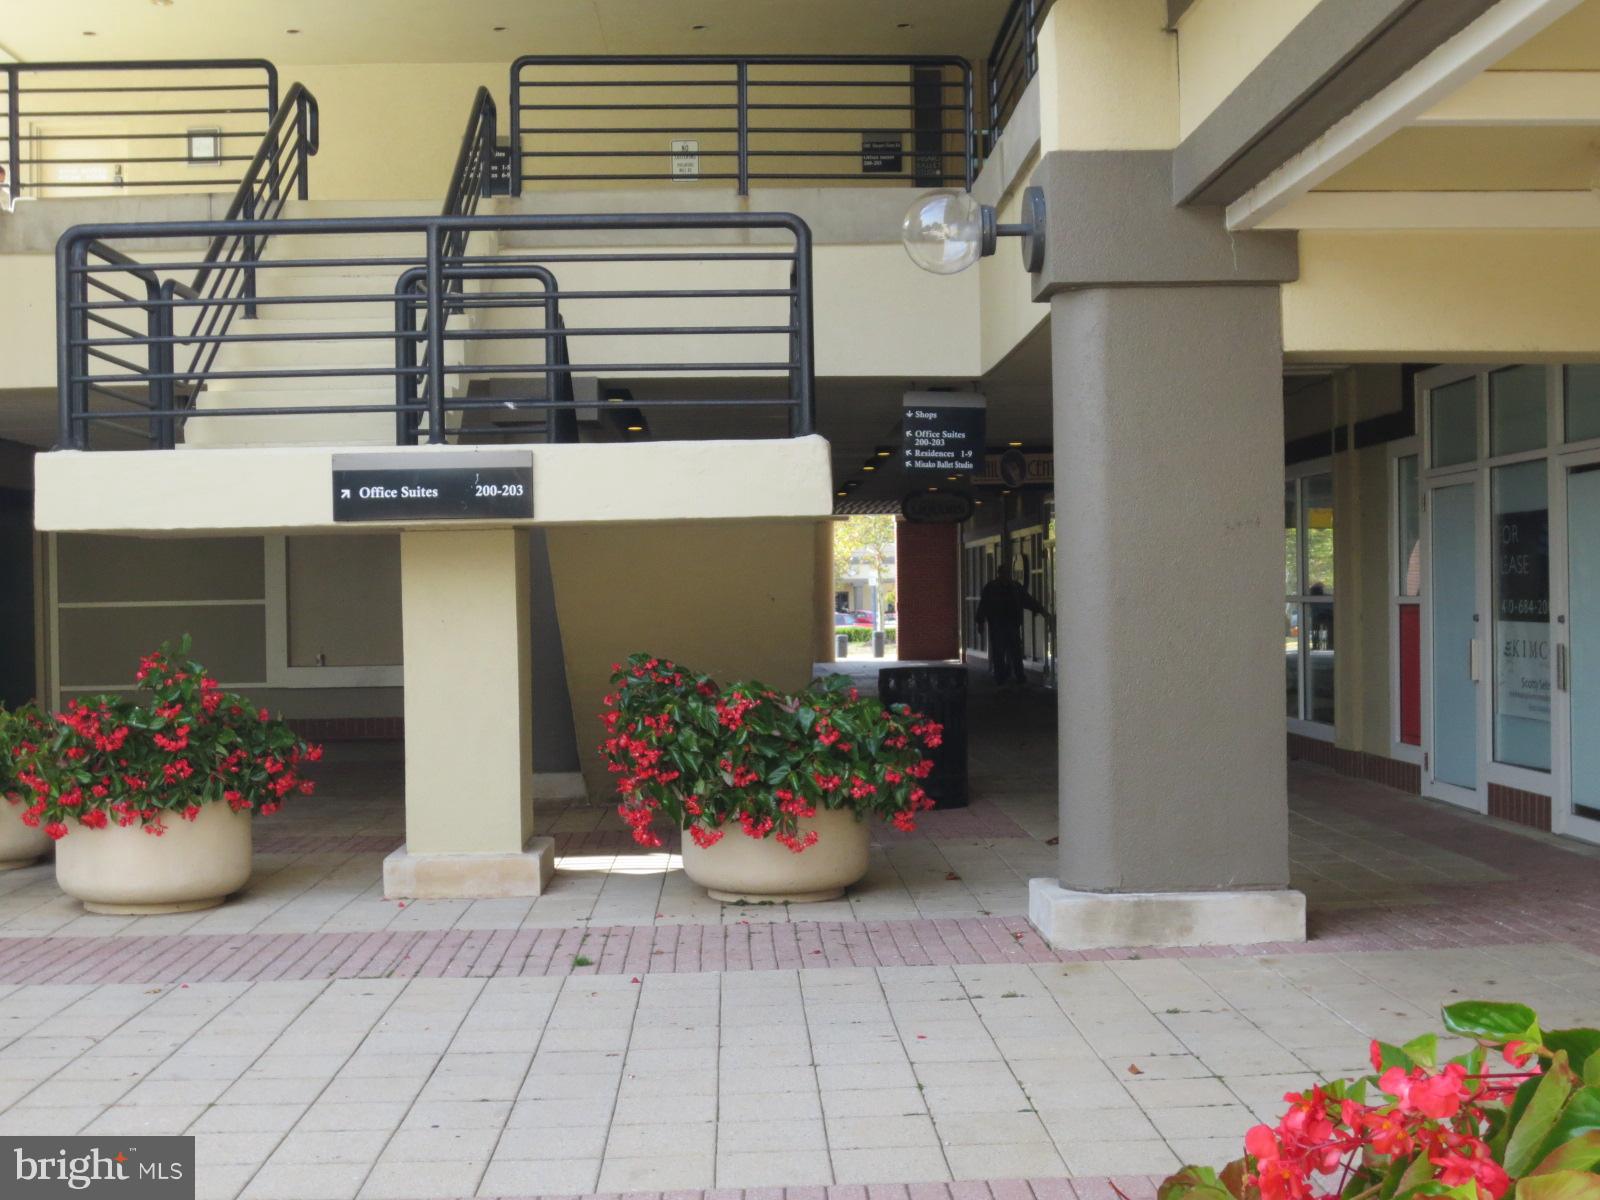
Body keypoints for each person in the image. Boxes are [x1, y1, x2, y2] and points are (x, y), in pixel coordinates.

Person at [975, 563, 1048, 685]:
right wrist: (980, 622)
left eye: (1007, 573)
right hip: (998, 626)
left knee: (1015, 653)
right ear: (999, 574)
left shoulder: (1014, 588)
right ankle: (1001, 678)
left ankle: (1018, 677)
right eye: (1004, 573)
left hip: (1012, 625)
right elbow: (984, 606)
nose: (1006, 576)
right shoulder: (993, 588)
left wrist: (1041, 610)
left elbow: (1028, 600)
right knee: (1000, 653)